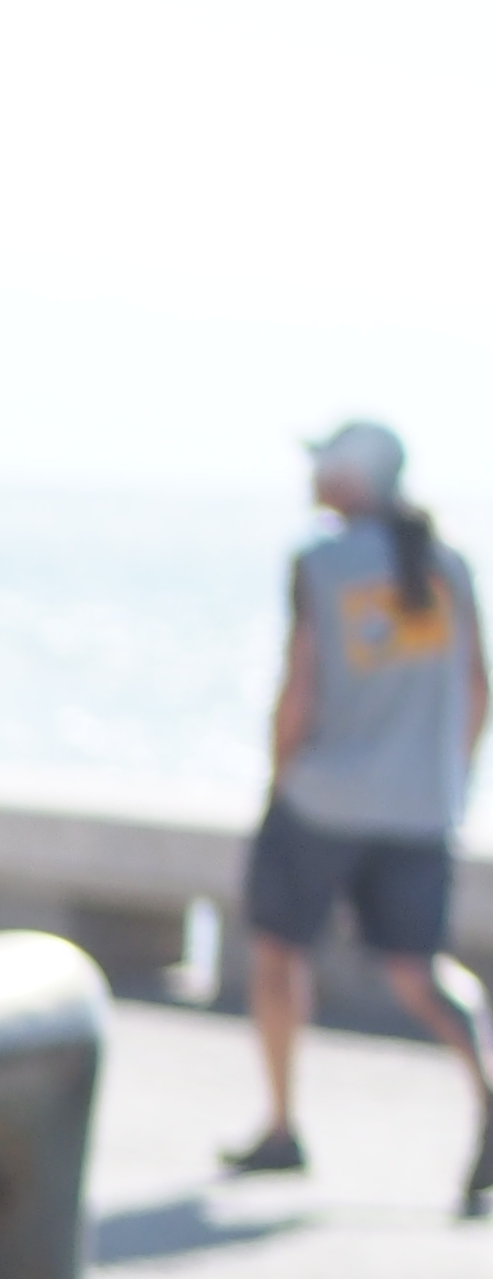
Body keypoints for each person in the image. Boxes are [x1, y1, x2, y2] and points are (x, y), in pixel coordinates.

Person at [223, 417, 493, 1212]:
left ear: (348, 480)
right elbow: (478, 689)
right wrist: (447, 785)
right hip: (421, 807)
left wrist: (280, 774)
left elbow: (301, 683)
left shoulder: (322, 562)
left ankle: (281, 1125)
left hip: (323, 800)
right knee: (419, 970)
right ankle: (484, 1088)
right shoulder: (449, 564)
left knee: (277, 953)